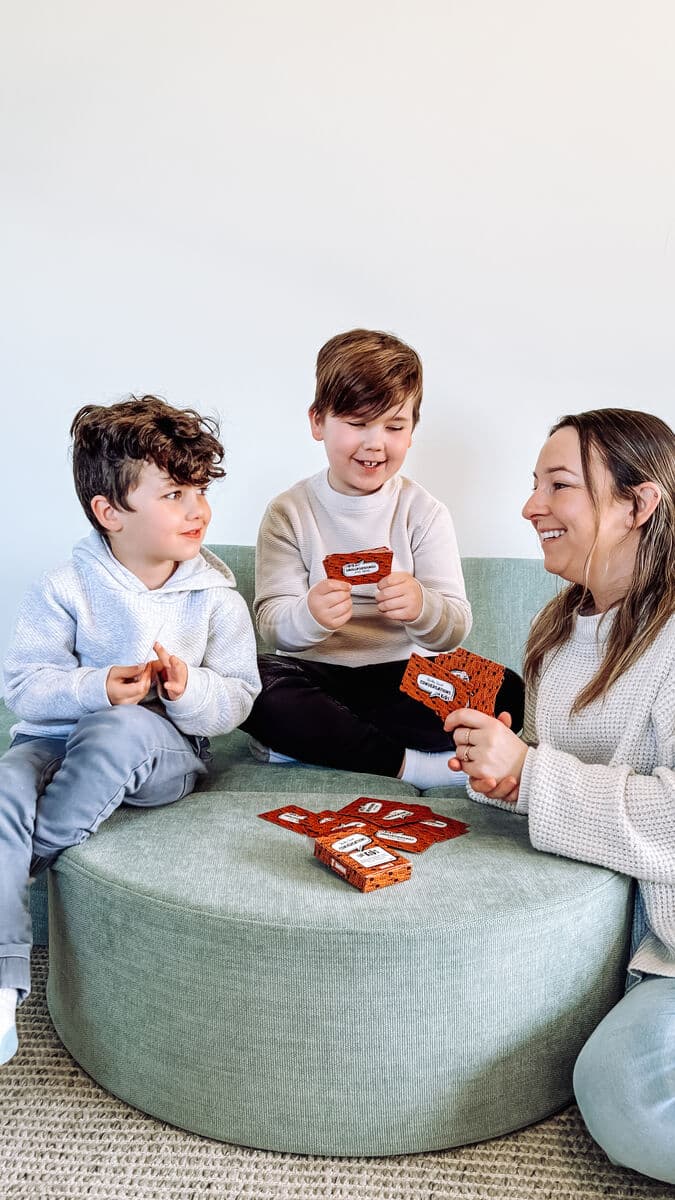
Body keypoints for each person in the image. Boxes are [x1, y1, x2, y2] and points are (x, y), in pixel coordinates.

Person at [444, 407, 675, 1185]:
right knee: (619, 1093)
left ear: (637, 504)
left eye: (558, 485)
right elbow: (568, 785)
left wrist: (533, 773)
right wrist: (508, 776)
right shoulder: (558, 630)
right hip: (657, 955)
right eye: (532, 484)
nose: (529, 506)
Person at [0, 395, 260, 1065]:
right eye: (175, 493)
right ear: (110, 512)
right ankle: (3, 986)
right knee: (4, 783)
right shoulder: (65, 586)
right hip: (51, 741)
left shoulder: (216, 599)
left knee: (116, 729)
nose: (197, 508)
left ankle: (29, 860)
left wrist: (185, 688)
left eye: (199, 490)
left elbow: (238, 699)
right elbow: (22, 685)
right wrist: (93, 684)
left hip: (160, 752)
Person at [242, 328, 523, 788]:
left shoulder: (424, 512)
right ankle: (411, 766)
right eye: (356, 423)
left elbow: (454, 624)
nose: (376, 444)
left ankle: (312, 740)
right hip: (316, 674)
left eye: (394, 426)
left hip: (401, 679)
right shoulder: (287, 512)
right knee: (250, 680)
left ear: (413, 431)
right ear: (318, 422)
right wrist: (309, 614)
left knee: (505, 687)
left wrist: (422, 606)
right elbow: (271, 623)